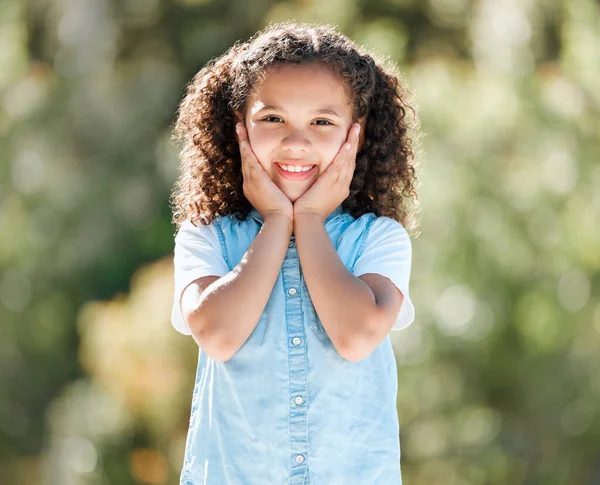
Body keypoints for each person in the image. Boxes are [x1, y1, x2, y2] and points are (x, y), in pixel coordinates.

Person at [169, 20, 420, 485]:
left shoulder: (378, 240)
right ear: (240, 128)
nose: (296, 141)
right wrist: (277, 220)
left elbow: (356, 336)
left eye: (322, 122)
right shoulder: (207, 237)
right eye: (273, 118)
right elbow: (218, 335)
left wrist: (308, 219)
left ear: (355, 138)